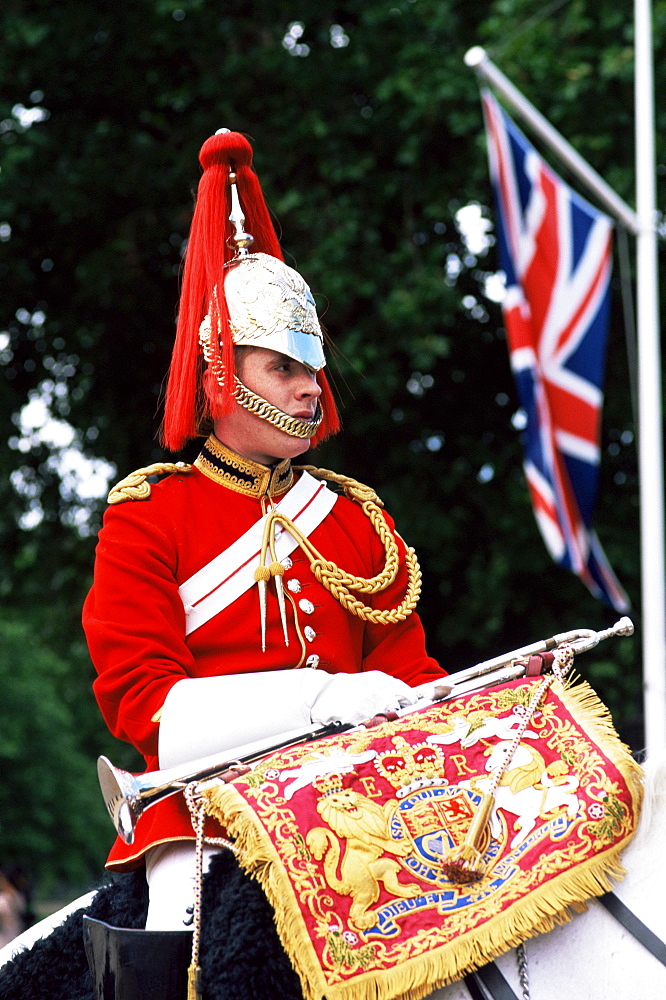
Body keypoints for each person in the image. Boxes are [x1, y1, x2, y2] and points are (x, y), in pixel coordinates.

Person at [82, 129, 447, 967]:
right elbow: (144, 703)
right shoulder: (150, 512)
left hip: (367, 790)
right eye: (282, 366)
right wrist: (318, 699)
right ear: (221, 369)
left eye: (312, 366)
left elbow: (411, 671)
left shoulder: (353, 516)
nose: (309, 386)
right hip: (210, 809)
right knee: (185, 939)